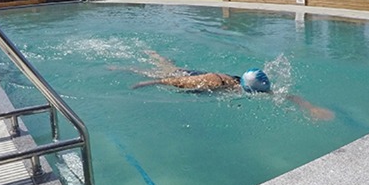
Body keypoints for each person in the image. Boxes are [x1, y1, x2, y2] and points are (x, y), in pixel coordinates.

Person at [130, 51, 334, 120]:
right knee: (164, 71)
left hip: (209, 77)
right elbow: (175, 82)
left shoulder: (249, 85)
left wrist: (310, 108)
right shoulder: (214, 82)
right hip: (194, 77)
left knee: (168, 68)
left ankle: (154, 58)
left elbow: (287, 96)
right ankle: (135, 64)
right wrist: (147, 83)